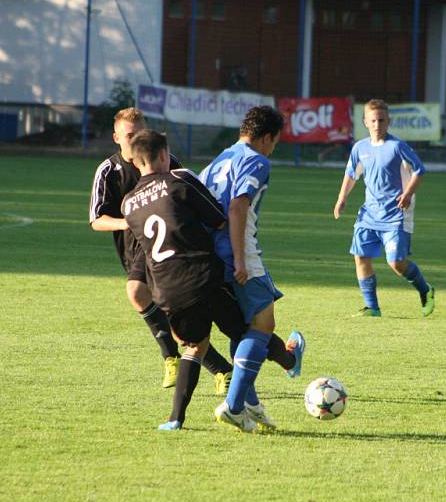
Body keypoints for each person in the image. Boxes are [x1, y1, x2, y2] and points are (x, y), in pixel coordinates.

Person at [89, 108, 234, 390]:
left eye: (139, 134)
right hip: (136, 249)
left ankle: (178, 359)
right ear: (116, 137)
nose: (134, 140)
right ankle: (216, 367)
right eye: (129, 135)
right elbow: (96, 220)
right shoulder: (108, 171)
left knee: (154, 301)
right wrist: (127, 223)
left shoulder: (167, 162)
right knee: (156, 306)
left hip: (172, 248)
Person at [123, 130, 242, 430]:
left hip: (168, 290)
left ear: (136, 162)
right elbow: (217, 217)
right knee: (249, 333)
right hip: (202, 277)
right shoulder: (179, 180)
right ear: (164, 155)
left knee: (195, 346)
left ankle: (175, 418)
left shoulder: (128, 203)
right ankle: (284, 364)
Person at [200, 105, 305, 433]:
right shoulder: (256, 160)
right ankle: (233, 406)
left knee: (242, 327)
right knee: (263, 323)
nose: (273, 149)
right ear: (267, 137)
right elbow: (237, 204)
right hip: (237, 251)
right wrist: (240, 259)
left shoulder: (219, 159)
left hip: (209, 255)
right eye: (274, 142)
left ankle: (248, 403)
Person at [333, 99, 435, 317]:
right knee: (360, 257)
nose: (377, 124)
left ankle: (425, 290)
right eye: (373, 120)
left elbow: (420, 170)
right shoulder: (360, 148)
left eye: (381, 120)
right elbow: (351, 174)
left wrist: (407, 194)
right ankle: (372, 307)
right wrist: (342, 198)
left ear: (388, 121)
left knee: (396, 263)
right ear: (365, 122)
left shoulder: (397, 147)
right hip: (369, 214)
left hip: (396, 214)